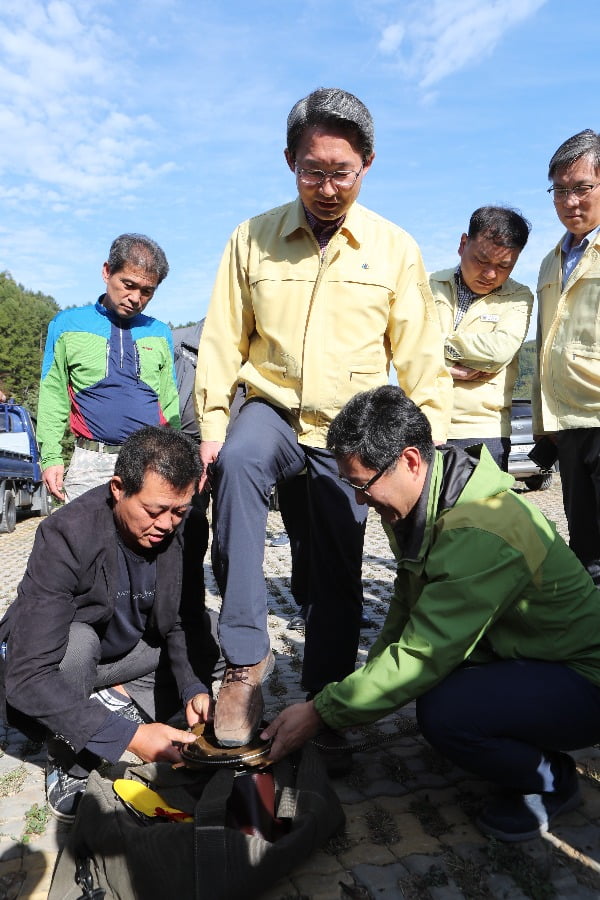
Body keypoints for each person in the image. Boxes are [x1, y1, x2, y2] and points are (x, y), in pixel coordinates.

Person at [195, 87, 451, 747]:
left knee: (334, 564)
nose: (328, 187)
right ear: (289, 161)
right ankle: (245, 661)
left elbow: (420, 357)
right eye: (314, 170)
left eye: (342, 172)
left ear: (367, 165)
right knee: (241, 463)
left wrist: (435, 449)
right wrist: (214, 429)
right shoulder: (251, 239)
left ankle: (325, 704)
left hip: (348, 431)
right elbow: (223, 340)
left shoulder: (394, 249)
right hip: (272, 407)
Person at [263, 385, 600, 842]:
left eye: (362, 485)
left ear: (410, 460)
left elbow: (421, 656)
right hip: (533, 656)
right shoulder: (428, 500)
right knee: (443, 693)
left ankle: (550, 779)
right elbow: (403, 613)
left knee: (446, 712)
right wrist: (346, 695)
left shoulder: (480, 529)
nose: (361, 501)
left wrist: (322, 712)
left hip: (584, 682)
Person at [0, 426, 218, 822]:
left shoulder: (188, 526)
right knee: (77, 645)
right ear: (118, 488)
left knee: (221, 637)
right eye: (154, 511)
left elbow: (184, 618)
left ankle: (116, 697)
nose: (167, 524)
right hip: (69, 657)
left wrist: (192, 687)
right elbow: (27, 676)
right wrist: (130, 738)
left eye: (178, 512)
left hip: (129, 653)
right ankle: (69, 761)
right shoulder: (65, 534)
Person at [38, 233, 180, 503]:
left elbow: (169, 401)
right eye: (128, 284)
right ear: (107, 272)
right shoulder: (67, 324)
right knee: (80, 541)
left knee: (149, 542)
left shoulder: (160, 333)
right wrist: (51, 458)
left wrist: (174, 456)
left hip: (149, 464)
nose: (136, 297)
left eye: (147, 291)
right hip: (90, 463)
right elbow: (53, 394)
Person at [533, 129, 600, 584]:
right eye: (560, 190)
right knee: (586, 547)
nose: (570, 200)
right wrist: (544, 420)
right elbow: (544, 341)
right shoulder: (550, 260)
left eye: (582, 188)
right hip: (569, 424)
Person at [431, 206, 533, 470]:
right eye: (481, 260)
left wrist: (438, 343)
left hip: (482, 430)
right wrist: (443, 369)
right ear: (463, 244)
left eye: (504, 266)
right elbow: (403, 348)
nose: (490, 274)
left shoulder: (519, 296)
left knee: (479, 511)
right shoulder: (427, 285)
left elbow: (499, 351)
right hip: (423, 423)